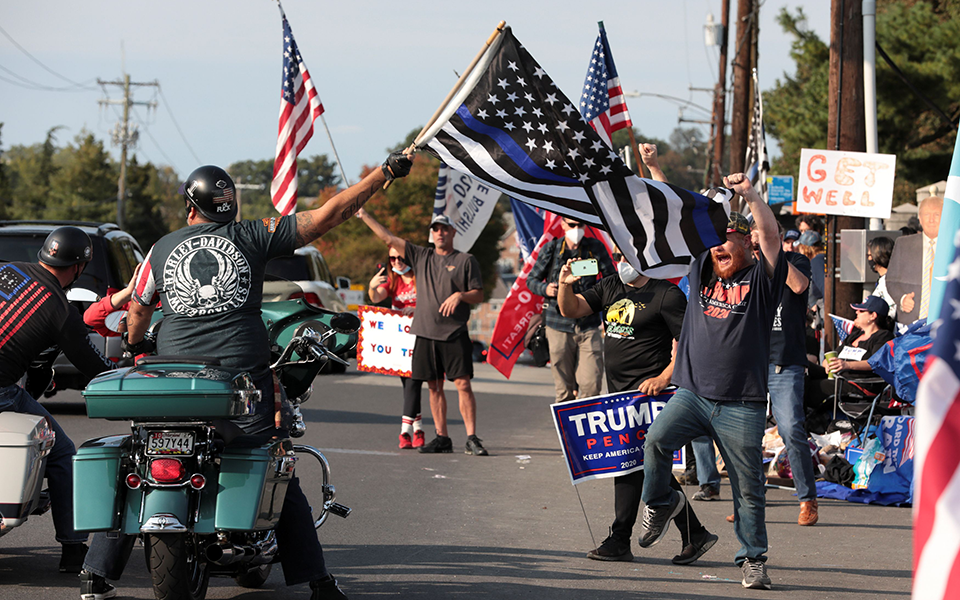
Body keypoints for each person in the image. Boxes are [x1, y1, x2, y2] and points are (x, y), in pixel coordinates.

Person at [80, 153, 413, 600]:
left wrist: (140, 350)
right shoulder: (252, 235)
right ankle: (318, 582)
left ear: (189, 206)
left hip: (172, 375)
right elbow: (329, 214)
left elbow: (138, 309)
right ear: (230, 205)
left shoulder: (161, 247)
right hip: (240, 378)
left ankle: (96, 573)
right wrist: (383, 174)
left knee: (139, 456)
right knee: (276, 459)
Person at [639, 173, 787, 591]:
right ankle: (662, 503)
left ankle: (753, 560)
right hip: (693, 394)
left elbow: (772, 236)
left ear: (747, 244)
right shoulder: (702, 268)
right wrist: (655, 173)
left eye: (728, 241)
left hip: (741, 403)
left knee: (747, 487)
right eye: (715, 241)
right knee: (656, 441)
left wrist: (751, 196)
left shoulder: (762, 281)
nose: (719, 247)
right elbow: (684, 220)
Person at [557, 249, 718, 565]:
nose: (620, 260)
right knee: (641, 464)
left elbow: (690, 343)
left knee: (630, 464)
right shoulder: (610, 285)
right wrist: (565, 284)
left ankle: (619, 538)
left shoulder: (666, 294)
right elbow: (572, 309)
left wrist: (663, 377)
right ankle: (694, 534)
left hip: (649, 394)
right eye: (616, 253)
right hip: (618, 394)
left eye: (626, 253)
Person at [0, 227, 116, 573]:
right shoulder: (61, 312)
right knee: (63, 452)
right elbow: (96, 368)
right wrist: (126, 373)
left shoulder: (7, 270)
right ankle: (72, 549)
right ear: (78, 266)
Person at [357, 209, 487, 456]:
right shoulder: (421, 256)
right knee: (434, 386)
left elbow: (479, 294)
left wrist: (460, 295)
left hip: (454, 332)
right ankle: (442, 437)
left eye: (444, 229)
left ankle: (471, 437)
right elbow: (389, 239)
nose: (440, 233)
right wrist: (365, 216)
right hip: (426, 334)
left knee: (462, 384)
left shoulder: (465, 260)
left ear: (453, 233)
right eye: (436, 229)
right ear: (432, 234)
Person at [758, 224, 819, 526]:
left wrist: (772, 254)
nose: (757, 237)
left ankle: (807, 499)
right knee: (744, 435)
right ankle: (751, 502)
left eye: (765, 232)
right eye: (754, 232)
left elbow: (798, 287)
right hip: (751, 361)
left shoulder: (796, 260)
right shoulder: (746, 265)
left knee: (791, 429)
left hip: (785, 361)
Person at [527, 217, 614, 402]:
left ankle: (589, 426)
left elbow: (611, 280)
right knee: (564, 391)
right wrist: (546, 289)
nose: (576, 229)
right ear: (563, 225)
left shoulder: (594, 248)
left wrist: (599, 298)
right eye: (572, 225)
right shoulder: (551, 249)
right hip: (558, 324)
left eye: (580, 225)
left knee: (591, 386)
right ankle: (567, 430)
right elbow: (531, 280)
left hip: (588, 324)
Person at [367, 249, 424, 449]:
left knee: (414, 380)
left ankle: (405, 432)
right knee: (408, 383)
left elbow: (434, 301)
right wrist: (372, 287)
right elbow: (375, 298)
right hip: (400, 339)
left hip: (421, 335)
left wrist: (418, 310)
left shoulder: (422, 277)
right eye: (393, 258)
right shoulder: (393, 279)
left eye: (401, 257)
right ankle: (418, 428)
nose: (397, 262)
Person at [805, 295, 895, 417]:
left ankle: (802, 424)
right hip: (839, 377)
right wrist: (827, 363)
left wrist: (846, 365)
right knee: (801, 365)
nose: (856, 312)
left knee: (811, 388)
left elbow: (876, 362)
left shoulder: (883, 336)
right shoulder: (855, 335)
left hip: (858, 384)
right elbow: (834, 355)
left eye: (862, 310)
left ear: (873, 316)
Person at [886, 196, 943, 323]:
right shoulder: (904, 245)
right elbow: (891, 280)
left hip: (945, 325)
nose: (931, 219)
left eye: (937, 214)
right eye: (927, 214)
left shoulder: (954, 248)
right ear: (920, 219)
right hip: (910, 324)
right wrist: (902, 298)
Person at [867, 236, 896, 319]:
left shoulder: (890, 282)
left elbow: (891, 311)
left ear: (878, 256)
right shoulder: (882, 280)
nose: (868, 259)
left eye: (869, 255)